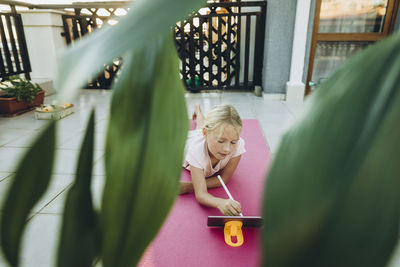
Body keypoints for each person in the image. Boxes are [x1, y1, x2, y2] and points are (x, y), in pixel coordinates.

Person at [180, 104, 246, 216]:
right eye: (221, 141)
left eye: (233, 142)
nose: (227, 149)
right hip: (185, 143)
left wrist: (189, 186)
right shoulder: (195, 151)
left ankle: (198, 110)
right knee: (198, 130)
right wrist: (220, 202)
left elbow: (224, 179)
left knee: (200, 127)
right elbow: (201, 194)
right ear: (206, 134)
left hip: (204, 133)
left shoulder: (238, 144)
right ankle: (198, 112)